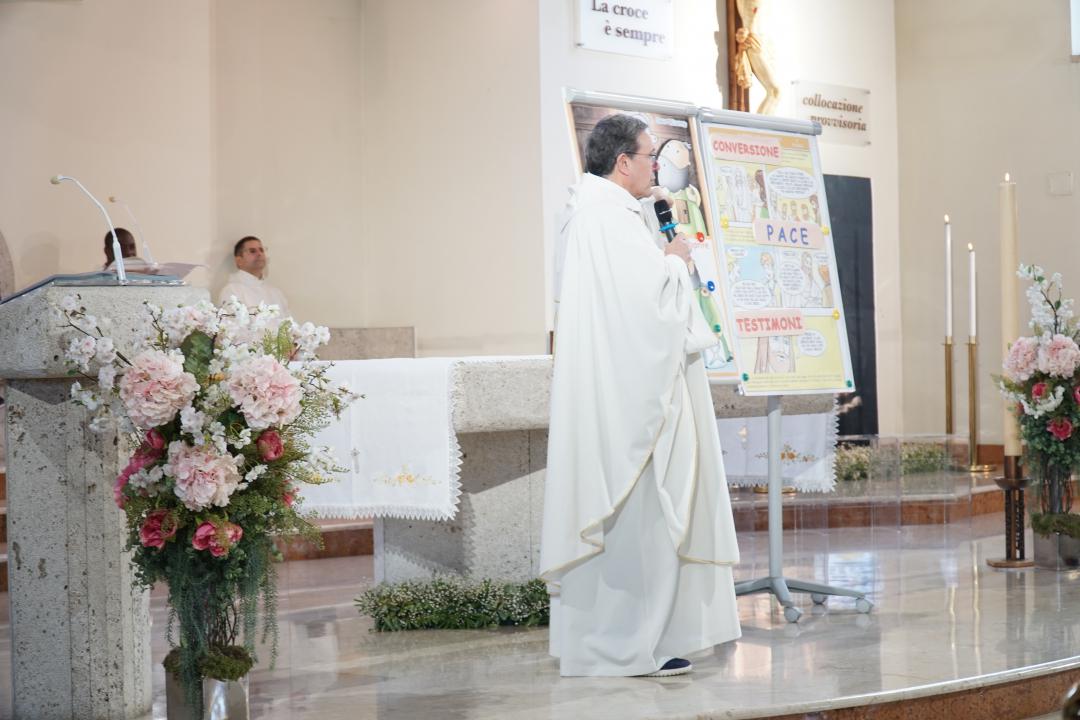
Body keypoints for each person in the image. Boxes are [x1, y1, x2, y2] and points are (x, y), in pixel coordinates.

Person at [542, 114, 741, 679]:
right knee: (637, 522)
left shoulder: (602, 211)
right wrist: (676, 261)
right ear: (622, 161)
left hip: (623, 389)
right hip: (629, 401)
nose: (657, 166)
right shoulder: (605, 218)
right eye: (650, 156)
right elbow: (646, 310)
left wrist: (663, 246)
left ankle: (636, 640)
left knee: (642, 525)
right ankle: (625, 645)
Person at [218, 236, 290, 316]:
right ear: (239, 260)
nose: (259, 254)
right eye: (252, 251)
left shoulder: (276, 293)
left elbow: (289, 321)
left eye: (261, 250)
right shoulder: (232, 291)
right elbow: (231, 322)